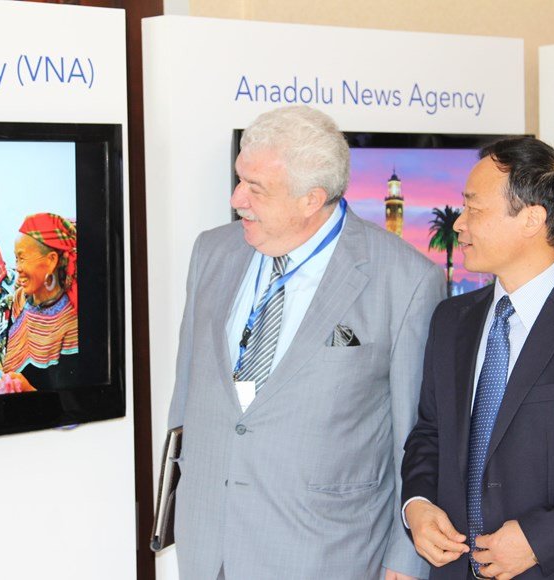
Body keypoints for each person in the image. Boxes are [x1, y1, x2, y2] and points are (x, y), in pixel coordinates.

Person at [165, 105, 445, 580]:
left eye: (256, 188)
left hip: (325, 551)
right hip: (209, 544)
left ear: (311, 199)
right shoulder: (211, 251)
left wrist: (406, 553)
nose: (237, 199)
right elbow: (187, 395)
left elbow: (415, 434)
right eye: (240, 179)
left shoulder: (405, 280)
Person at [400, 136, 554, 579]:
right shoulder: (451, 320)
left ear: (532, 219)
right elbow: (429, 434)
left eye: (474, 209)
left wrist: (538, 540)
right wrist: (418, 506)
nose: (460, 224)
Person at [0, 212, 78, 393]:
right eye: (16, 259)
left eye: (23, 258)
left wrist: (27, 391)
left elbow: (72, 403)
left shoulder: (72, 319)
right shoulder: (20, 301)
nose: (17, 268)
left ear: (51, 261)